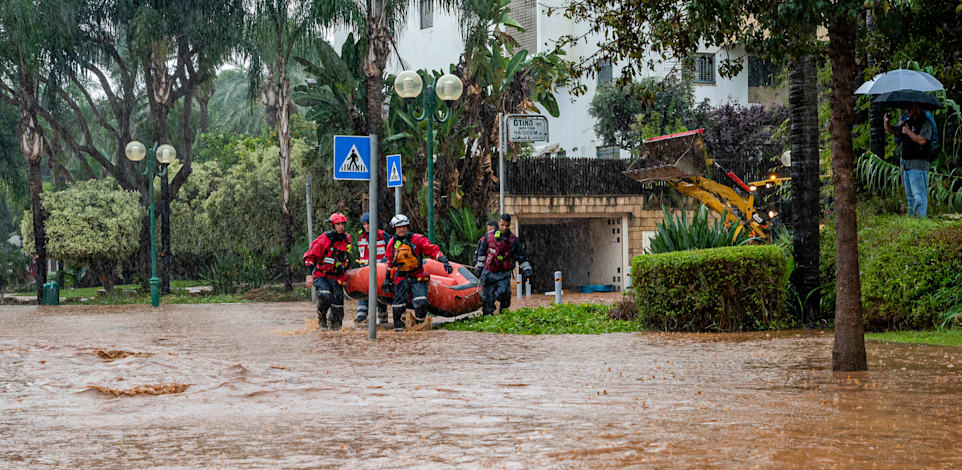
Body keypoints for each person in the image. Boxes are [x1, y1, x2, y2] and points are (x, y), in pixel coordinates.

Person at [383, 214, 453, 331]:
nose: (402, 229)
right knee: (398, 307)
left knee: (421, 302)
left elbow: (432, 250)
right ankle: (399, 330)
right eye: (399, 227)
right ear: (395, 228)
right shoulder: (391, 243)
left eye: (404, 226)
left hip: (417, 276)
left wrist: (443, 260)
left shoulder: (417, 239)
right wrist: (387, 280)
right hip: (400, 277)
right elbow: (389, 263)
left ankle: (420, 327)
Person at [475, 213, 533, 316]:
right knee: (487, 298)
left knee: (504, 294)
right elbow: (481, 253)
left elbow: (521, 257)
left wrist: (527, 270)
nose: (504, 227)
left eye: (507, 225)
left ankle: (503, 314)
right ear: (498, 223)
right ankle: (488, 318)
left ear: (509, 225)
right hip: (488, 273)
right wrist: (479, 267)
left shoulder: (514, 240)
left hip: (504, 274)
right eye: (502, 225)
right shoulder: (488, 236)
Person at [303, 212, 353, 330]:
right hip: (322, 275)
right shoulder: (324, 239)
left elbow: (348, 258)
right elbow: (310, 256)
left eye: (342, 224)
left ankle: (335, 330)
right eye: (338, 224)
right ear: (333, 226)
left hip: (338, 276)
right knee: (325, 294)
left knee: (338, 307)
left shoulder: (347, 239)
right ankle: (321, 317)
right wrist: (309, 275)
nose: (341, 226)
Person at [885, 105, 935, 217]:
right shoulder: (907, 122)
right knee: (910, 196)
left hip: (918, 163)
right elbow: (892, 130)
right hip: (906, 164)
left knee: (919, 195)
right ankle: (912, 220)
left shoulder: (925, 123)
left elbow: (922, 140)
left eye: (911, 108)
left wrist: (908, 132)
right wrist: (886, 122)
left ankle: (921, 221)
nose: (908, 111)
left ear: (917, 109)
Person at [355, 212, 388, 324]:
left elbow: (390, 253)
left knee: (380, 297)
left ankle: (383, 320)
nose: (367, 226)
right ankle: (361, 318)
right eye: (364, 224)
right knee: (363, 295)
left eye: (368, 223)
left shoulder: (383, 235)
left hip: (381, 273)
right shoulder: (361, 238)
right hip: (365, 273)